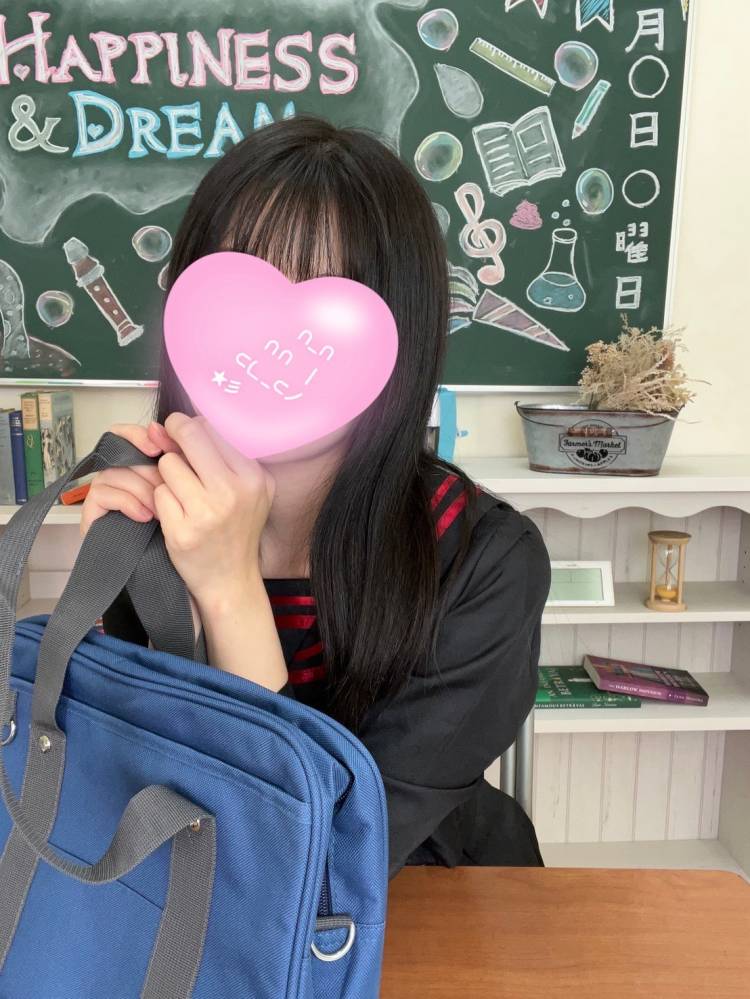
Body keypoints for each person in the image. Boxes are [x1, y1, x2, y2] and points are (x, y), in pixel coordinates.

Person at [86, 114, 552, 879]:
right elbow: (136, 792)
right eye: (237, 295)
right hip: (199, 896)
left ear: (400, 332)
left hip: (422, 894)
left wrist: (230, 589)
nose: (271, 347)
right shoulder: (153, 512)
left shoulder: (483, 559)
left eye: (321, 311)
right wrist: (109, 593)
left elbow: (320, 861)